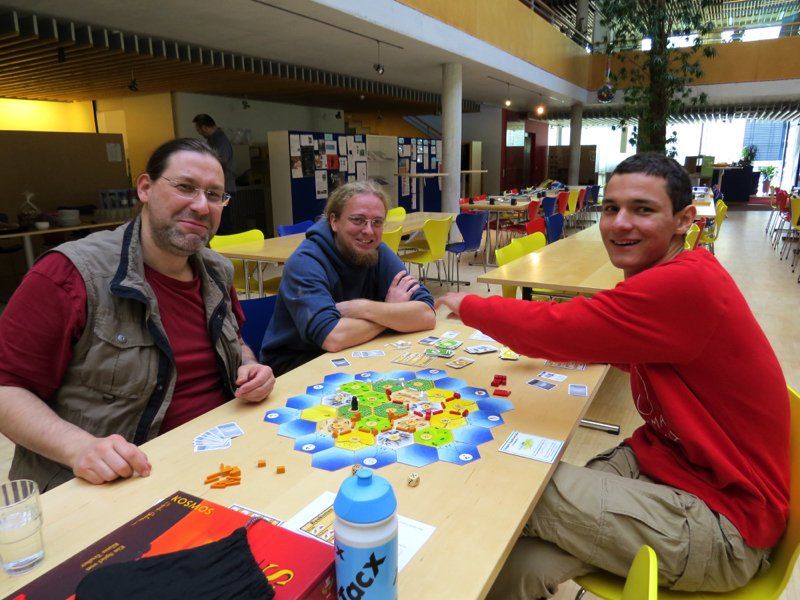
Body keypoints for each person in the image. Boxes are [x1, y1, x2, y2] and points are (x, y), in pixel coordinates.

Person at [436, 153, 788, 597]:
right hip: (668, 466)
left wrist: (469, 305)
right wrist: (584, 345)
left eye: (643, 209)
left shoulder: (686, 283)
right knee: (522, 562)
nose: (620, 223)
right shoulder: (669, 276)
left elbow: (559, 330)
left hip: (724, 523)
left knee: (507, 475)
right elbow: (625, 348)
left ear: (683, 220)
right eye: (610, 208)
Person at [0, 138, 275, 491]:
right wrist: (78, 448)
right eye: (185, 187)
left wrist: (248, 366)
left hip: (218, 464)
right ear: (145, 188)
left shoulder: (217, 271)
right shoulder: (68, 275)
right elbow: (7, 387)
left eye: (214, 194)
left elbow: (235, 339)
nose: (201, 206)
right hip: (116, 484)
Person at [260, 180, 436, 376]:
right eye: (358, 220)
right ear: (334, 221)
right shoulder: (305, 262)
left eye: (377, 222)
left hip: (353, 354)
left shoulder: (376, 250)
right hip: (296, 368)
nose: (369, 231)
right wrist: (391, 311)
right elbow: (333, 337)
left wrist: (362, 308)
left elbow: (427, 315)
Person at [193, 114, 236, 234]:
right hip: (222, 189)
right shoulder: (214, 140)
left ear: (204, 128)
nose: (200, 134)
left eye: (199, 130)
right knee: (220, 218)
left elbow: (220, 163)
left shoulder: (220, 141)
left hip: (225, 190)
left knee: (223, 218)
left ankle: (226, 243)